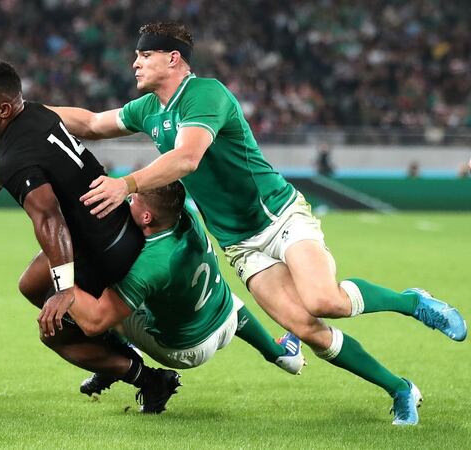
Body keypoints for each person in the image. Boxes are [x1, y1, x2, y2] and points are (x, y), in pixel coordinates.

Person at [49, 21, 467, 425]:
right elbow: (90, 123)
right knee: (308, 330)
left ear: (173, 59)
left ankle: (413, 302)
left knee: (324, 302)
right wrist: (27, 114)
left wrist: (127, 184)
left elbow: (187, 158)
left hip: (278, 216)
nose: (135, 63)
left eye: (145, 55)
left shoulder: (204, 95)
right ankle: (400, 390)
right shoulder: (148, 109)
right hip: (241, 244)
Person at [0, 59, 179, 413]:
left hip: (103, 247)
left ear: (4, 109)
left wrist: (66, 290)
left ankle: (148, 379)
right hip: (113, 225)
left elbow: (50, 220)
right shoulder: (36, 113)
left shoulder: (15, 158)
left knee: (52, 331)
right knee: (30, 285)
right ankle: (111, 350)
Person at [68, 181, 305, 400]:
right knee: (216, 292)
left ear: (147, 216)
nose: (129, 201)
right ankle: (280, 353)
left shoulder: (152, 264)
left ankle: (118, 361)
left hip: (184, 349)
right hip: (226, 318)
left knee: (102, 293)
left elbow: (94, 322)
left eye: (133, 200)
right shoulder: (185, 215)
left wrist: (62, 271)